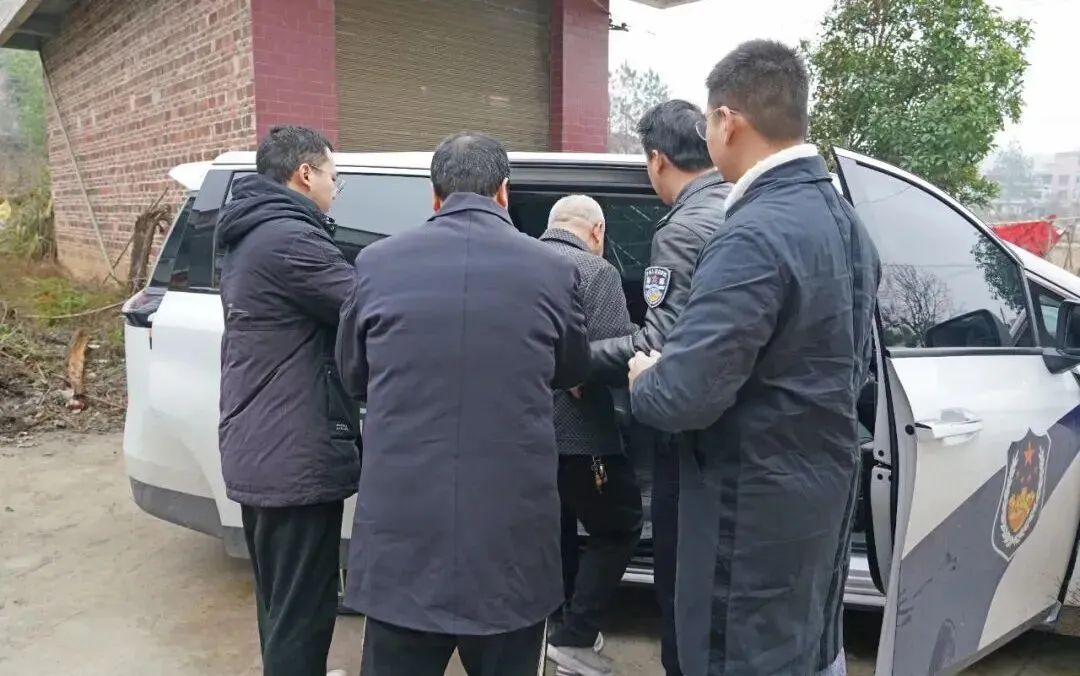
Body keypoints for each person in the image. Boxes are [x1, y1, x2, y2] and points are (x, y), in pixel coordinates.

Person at [627, 40, 880, 676]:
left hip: (749, 520)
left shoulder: (754, 233)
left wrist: (645, 376)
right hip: (817, 501)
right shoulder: (846, 222)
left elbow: (682, 397)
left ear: (727, 120)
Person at [335, 131, 590, 676]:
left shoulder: (377, 263)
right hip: (509, 547)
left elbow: (353, 374)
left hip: (404, 540)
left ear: (435, 196)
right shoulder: (553, 269)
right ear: (504, 192)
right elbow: (571, 369)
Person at [588, 99, 730, 676]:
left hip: (688, 437)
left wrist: (573, 359)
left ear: (657, 159)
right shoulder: (741, 205)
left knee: (678, 586)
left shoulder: (683, 227)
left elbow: (658, 342)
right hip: (732, 433)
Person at [216, 125, 357, 676]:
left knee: (281, 601)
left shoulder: (256, 233)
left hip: (264, 443)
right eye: (333, 177)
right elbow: (365, 307)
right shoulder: (291, 240)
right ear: (305, 174)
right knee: (303, 607)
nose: (334, 189)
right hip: (291, 452)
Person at [539, 195, 644, 676]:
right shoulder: (596, 272)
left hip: (525, 433)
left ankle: (558, 624)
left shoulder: (519, 262)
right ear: (598, 231)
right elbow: (612, 358)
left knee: (555, 529)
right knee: (619, 524)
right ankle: (575, 637)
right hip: (581, 435)